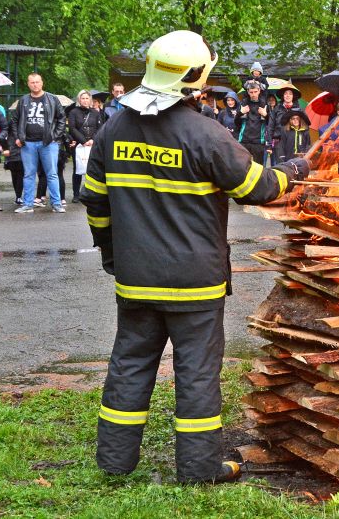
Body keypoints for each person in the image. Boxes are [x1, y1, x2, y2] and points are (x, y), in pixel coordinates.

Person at [79, 30, 309, 483]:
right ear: (197, 79)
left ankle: (115, 460)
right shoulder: (206, 134)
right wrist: (294, 169)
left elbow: (96, 203)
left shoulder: (114, 128)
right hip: (195, 284)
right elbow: (258, 189)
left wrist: (111, 255)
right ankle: (200, 469)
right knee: (197, 374)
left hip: (136, 280)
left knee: (130, 364)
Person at [13, 72, 67, 213]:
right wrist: (18, 137)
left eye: (37, 82)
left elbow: (62, 118)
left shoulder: (52, 99)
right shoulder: (23, 100)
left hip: (48, 143)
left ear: (42, 83)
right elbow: (14, 120)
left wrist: (55, 136)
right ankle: (28, 204)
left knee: (52, 174)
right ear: (28, 84)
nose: (35, 84)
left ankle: (56, 204)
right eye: (32, 82)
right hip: (28, 144)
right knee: (29, 174)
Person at [69, 91, 104, 199]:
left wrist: (93, 140)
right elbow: (72, 128)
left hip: (93, 145)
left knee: (93, 169)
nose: (85, 100)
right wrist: (83, 140)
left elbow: (100, 128)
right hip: (79, 145)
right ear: (79, 100)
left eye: (87, 98)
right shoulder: (73, 112)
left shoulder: (96, 113)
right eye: (83, 98)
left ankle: (92, 192)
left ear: (90, 100)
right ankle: (76, 194)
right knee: (78, 169)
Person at [235, 80, 269, 164]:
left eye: (255, 92)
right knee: (243, 166)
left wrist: (265, 115)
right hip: (244, 140)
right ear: (248, 92)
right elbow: (236, 123)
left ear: (259, 91)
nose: (253, 94)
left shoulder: (264, 105)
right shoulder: (243, 104)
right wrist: (240, 113)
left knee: (259, 168)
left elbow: (271, 123)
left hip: (258, 141)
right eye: (251, 92)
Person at [3, 108, 24, 205]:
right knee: (15, 174)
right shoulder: (11, 122)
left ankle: (19, 196)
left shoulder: (26, 121)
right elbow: (4, 134)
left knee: (20, 174)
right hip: (12, 150)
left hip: (23, 150)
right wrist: (5, 148)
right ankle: (18, 195)